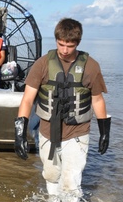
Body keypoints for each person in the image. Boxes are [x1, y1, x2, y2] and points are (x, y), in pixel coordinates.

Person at [14, 18, 111, 201]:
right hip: (47, 131)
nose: (65, 50)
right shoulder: (42, 64)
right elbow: (27, 99)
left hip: (77, 132)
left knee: (71, 182)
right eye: (61, 44)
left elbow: (97, 100)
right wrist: (19, 133)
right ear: (56, 40)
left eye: (70, 46)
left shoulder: (91, 66)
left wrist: (105, 133)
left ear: (78, 43)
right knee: (51, 175)